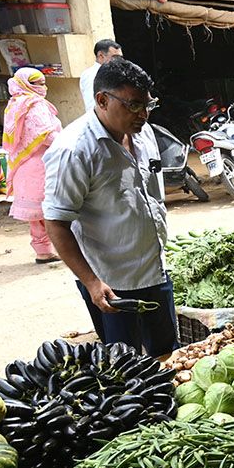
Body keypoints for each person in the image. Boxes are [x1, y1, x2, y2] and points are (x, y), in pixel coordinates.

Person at [44, 57, 176, 355]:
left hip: (154, 270)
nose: (142, 114)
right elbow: (56, 223)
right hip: (112, 285)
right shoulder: (74, 150)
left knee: (168, 353)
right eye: (133, 105)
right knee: (124, 362)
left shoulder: (143, 134)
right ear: (102, 100)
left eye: (147, 105)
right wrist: (91, 282)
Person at [4, 67, 62, 263]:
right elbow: (46, 135)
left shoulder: (14, 104)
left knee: (37, 216)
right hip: (41, 164)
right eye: (38, 84)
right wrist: (69, 143)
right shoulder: (34, 105)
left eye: (43, 83)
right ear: (27, 85)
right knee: (52, 212)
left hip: (22, 164)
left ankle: (43, 251)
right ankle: (64, 250)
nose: (43, 87)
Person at [79, 39, 122, 112]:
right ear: (101, 56)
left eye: (120, 57)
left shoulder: (115, 72)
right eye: (114, 57)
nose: (119, 60)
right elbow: (92, 105)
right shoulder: (91, 75)